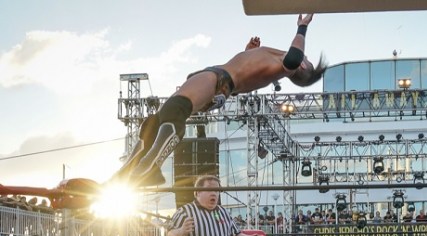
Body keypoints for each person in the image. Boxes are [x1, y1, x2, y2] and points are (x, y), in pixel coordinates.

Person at [115, 14, 326, 186]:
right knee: (156, 121)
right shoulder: (272, 62)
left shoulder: (284, 65)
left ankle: (149, 167)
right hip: (218, 79)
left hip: (218, 80)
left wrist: (302, 27)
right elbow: (246, 71)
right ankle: (127, 172)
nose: (304, 57)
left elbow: (294, 57)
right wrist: (249, 53)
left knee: (175, 111)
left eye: (306, 59)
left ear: (302, 65)